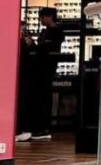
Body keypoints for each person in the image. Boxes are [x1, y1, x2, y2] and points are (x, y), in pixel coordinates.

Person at [17, 8, 65, 142]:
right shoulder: (46, 32)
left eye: (42, 17)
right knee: (39, 97)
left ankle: (42, 129)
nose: (41, 20)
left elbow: (45, 50)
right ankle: (38, 128)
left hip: (46, 69)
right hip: (40, 68)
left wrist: (33, 44)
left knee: (43, 97)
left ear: (49, 17)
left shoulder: (56, 32)